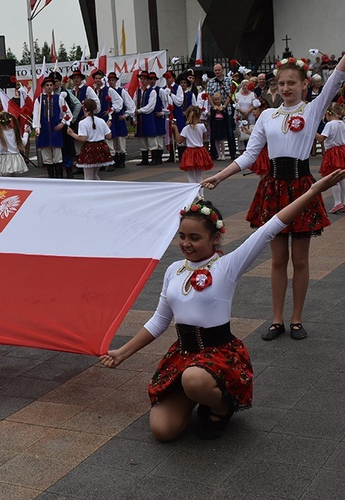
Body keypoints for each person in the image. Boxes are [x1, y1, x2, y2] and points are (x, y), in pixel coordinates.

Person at [99, 170, 345, 441]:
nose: (186, 244)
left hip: (218, 355)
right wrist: (123, 352)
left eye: (195, 238)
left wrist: (312, 192)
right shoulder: (173, 270)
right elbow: (159, 321)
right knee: (162, 431)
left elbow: (271, 226)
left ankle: (221, 406)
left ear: (214, 238)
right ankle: (197, 396)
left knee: (194, 379)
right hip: (183, 355)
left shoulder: (227, 266)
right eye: (182, 236)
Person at [203, 55, 345, 341]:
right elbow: (250, 154)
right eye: (281, 83)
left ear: (305, 84)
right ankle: (277, 319)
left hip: (302, 188)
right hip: (273, 188)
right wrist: (221, 175)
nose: (286, 87)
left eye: (292, 82)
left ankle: (296, 319)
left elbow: (335, 80)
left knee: (300, 260)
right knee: (278, 259)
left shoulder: (313, 109)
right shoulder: (267, 116)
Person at [66, 98, 112, 180]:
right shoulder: (101, 121)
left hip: (90, 149)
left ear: (84, 108)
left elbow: (83, 138)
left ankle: (90, 191)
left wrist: (71, 134)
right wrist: (106, 127)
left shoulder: (83, 122)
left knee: (88, 176)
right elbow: (109, 136)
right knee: (95, 175)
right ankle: (99, 190)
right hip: (101, 147)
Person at [172, 106, 213, 193]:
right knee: (199, 175)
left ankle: (194, 194)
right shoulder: (202, 126)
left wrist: (175, 130)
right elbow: (204, 137)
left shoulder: (186, 129)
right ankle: (201, 195)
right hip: (200, 151)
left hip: (190, 151)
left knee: (190, 175)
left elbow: (180, 140)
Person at [33, 76, 68, 177]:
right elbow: (36, 114)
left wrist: (62, 123)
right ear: (43, 86)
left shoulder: (59, 98)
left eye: (51, 85)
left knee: (57, 155)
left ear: (53, 86)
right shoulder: (39, 100)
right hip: (44, 130)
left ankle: (59, 177)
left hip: (55, 129)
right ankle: (51, 177)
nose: (49, 87)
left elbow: (67, 113)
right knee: (46, 156)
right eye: (47, 85)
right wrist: (37, 128)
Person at [316, 102, 345, 213]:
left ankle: (337, 202)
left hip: (333, 152)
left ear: (328, 114)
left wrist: (312, 131)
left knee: (334, 177)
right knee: (342, 177)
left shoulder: (330, 125)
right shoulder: (342, 123)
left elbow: (321, 139)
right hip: (343, 150)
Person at [206, 64, 236, 160]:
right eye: (216, 70)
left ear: (223, 70)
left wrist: (224, 106)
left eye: (219, 70)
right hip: (215, 109)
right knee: (214, 132)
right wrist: (214, 106)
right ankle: (214, 153)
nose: (217, 72)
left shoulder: (228, 80)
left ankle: (233, 153)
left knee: (229, 132)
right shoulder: (211, 82)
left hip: (226, 108)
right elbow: (209, 95)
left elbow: (230, 94)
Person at [108, 72, 135, 169]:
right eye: (109, 80)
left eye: (113, 80)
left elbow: (130, 104)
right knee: (113, 140)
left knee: (121, 139)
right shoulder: (107, 91)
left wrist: (126, 115)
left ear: (116, 81)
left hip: (119, 117)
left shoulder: (121, 91)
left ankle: (122, 159)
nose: (111, 82)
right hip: (111, 118)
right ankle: (115, 159)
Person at [133, 71, 158, 165]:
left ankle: (154, 159)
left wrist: (139, 111)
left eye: (144, 79)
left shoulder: (152, 91)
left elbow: (150, 106)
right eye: (141, 79)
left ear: (148, 80)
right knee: (142, 139)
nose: (142, 81)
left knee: (151, 138)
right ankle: (144, 159)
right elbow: (134, 104)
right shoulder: (138, 91)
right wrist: (134, 118)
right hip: (140, 118)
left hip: (148, 117)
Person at [209, 92, 229, 160]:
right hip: (215, 125)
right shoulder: (212, 108)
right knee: (216, 140)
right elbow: (211, 118)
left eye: (218, 99)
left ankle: (223, 154)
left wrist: (222, 110)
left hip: (221, 124)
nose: (217, 101)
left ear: (221, 99)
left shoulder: (223, 107)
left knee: (221, 140)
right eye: (215, 100)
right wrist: (215, 110)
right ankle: (219, 154)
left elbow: (226, 117)